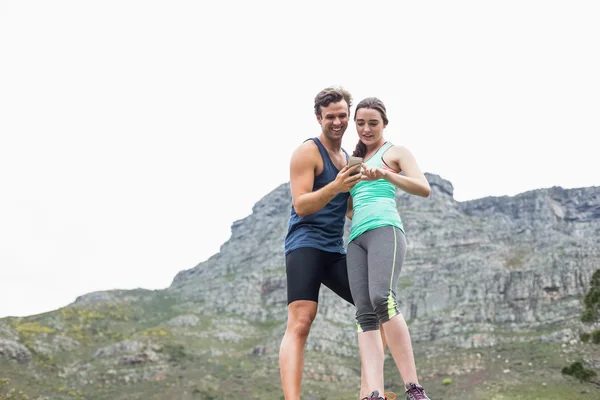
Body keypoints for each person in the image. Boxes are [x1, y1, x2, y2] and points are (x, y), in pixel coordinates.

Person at [279, 86, 370, 399]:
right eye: (330, 116)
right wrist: (336, 185)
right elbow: (302, 205)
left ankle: (369, 391)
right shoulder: (308, 152)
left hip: (335, 250)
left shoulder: (348, 159)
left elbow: (347, 211)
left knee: (376, 305)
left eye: (343, 115)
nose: (337, 121)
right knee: (302, 320)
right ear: (318, 117)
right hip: (305, 245)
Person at [346, 97, 432, 400]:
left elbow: (423, 187)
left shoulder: (395, 152)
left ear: (384, 123)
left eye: (373, 123)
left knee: (382, 298)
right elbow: (348, 208)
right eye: (360, 123)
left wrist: (385, 174)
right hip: (356, 238)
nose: (366, 129)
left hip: (385, 228)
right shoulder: (351, 161)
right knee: (364, 313)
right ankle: (374, 393)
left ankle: (413, 387)